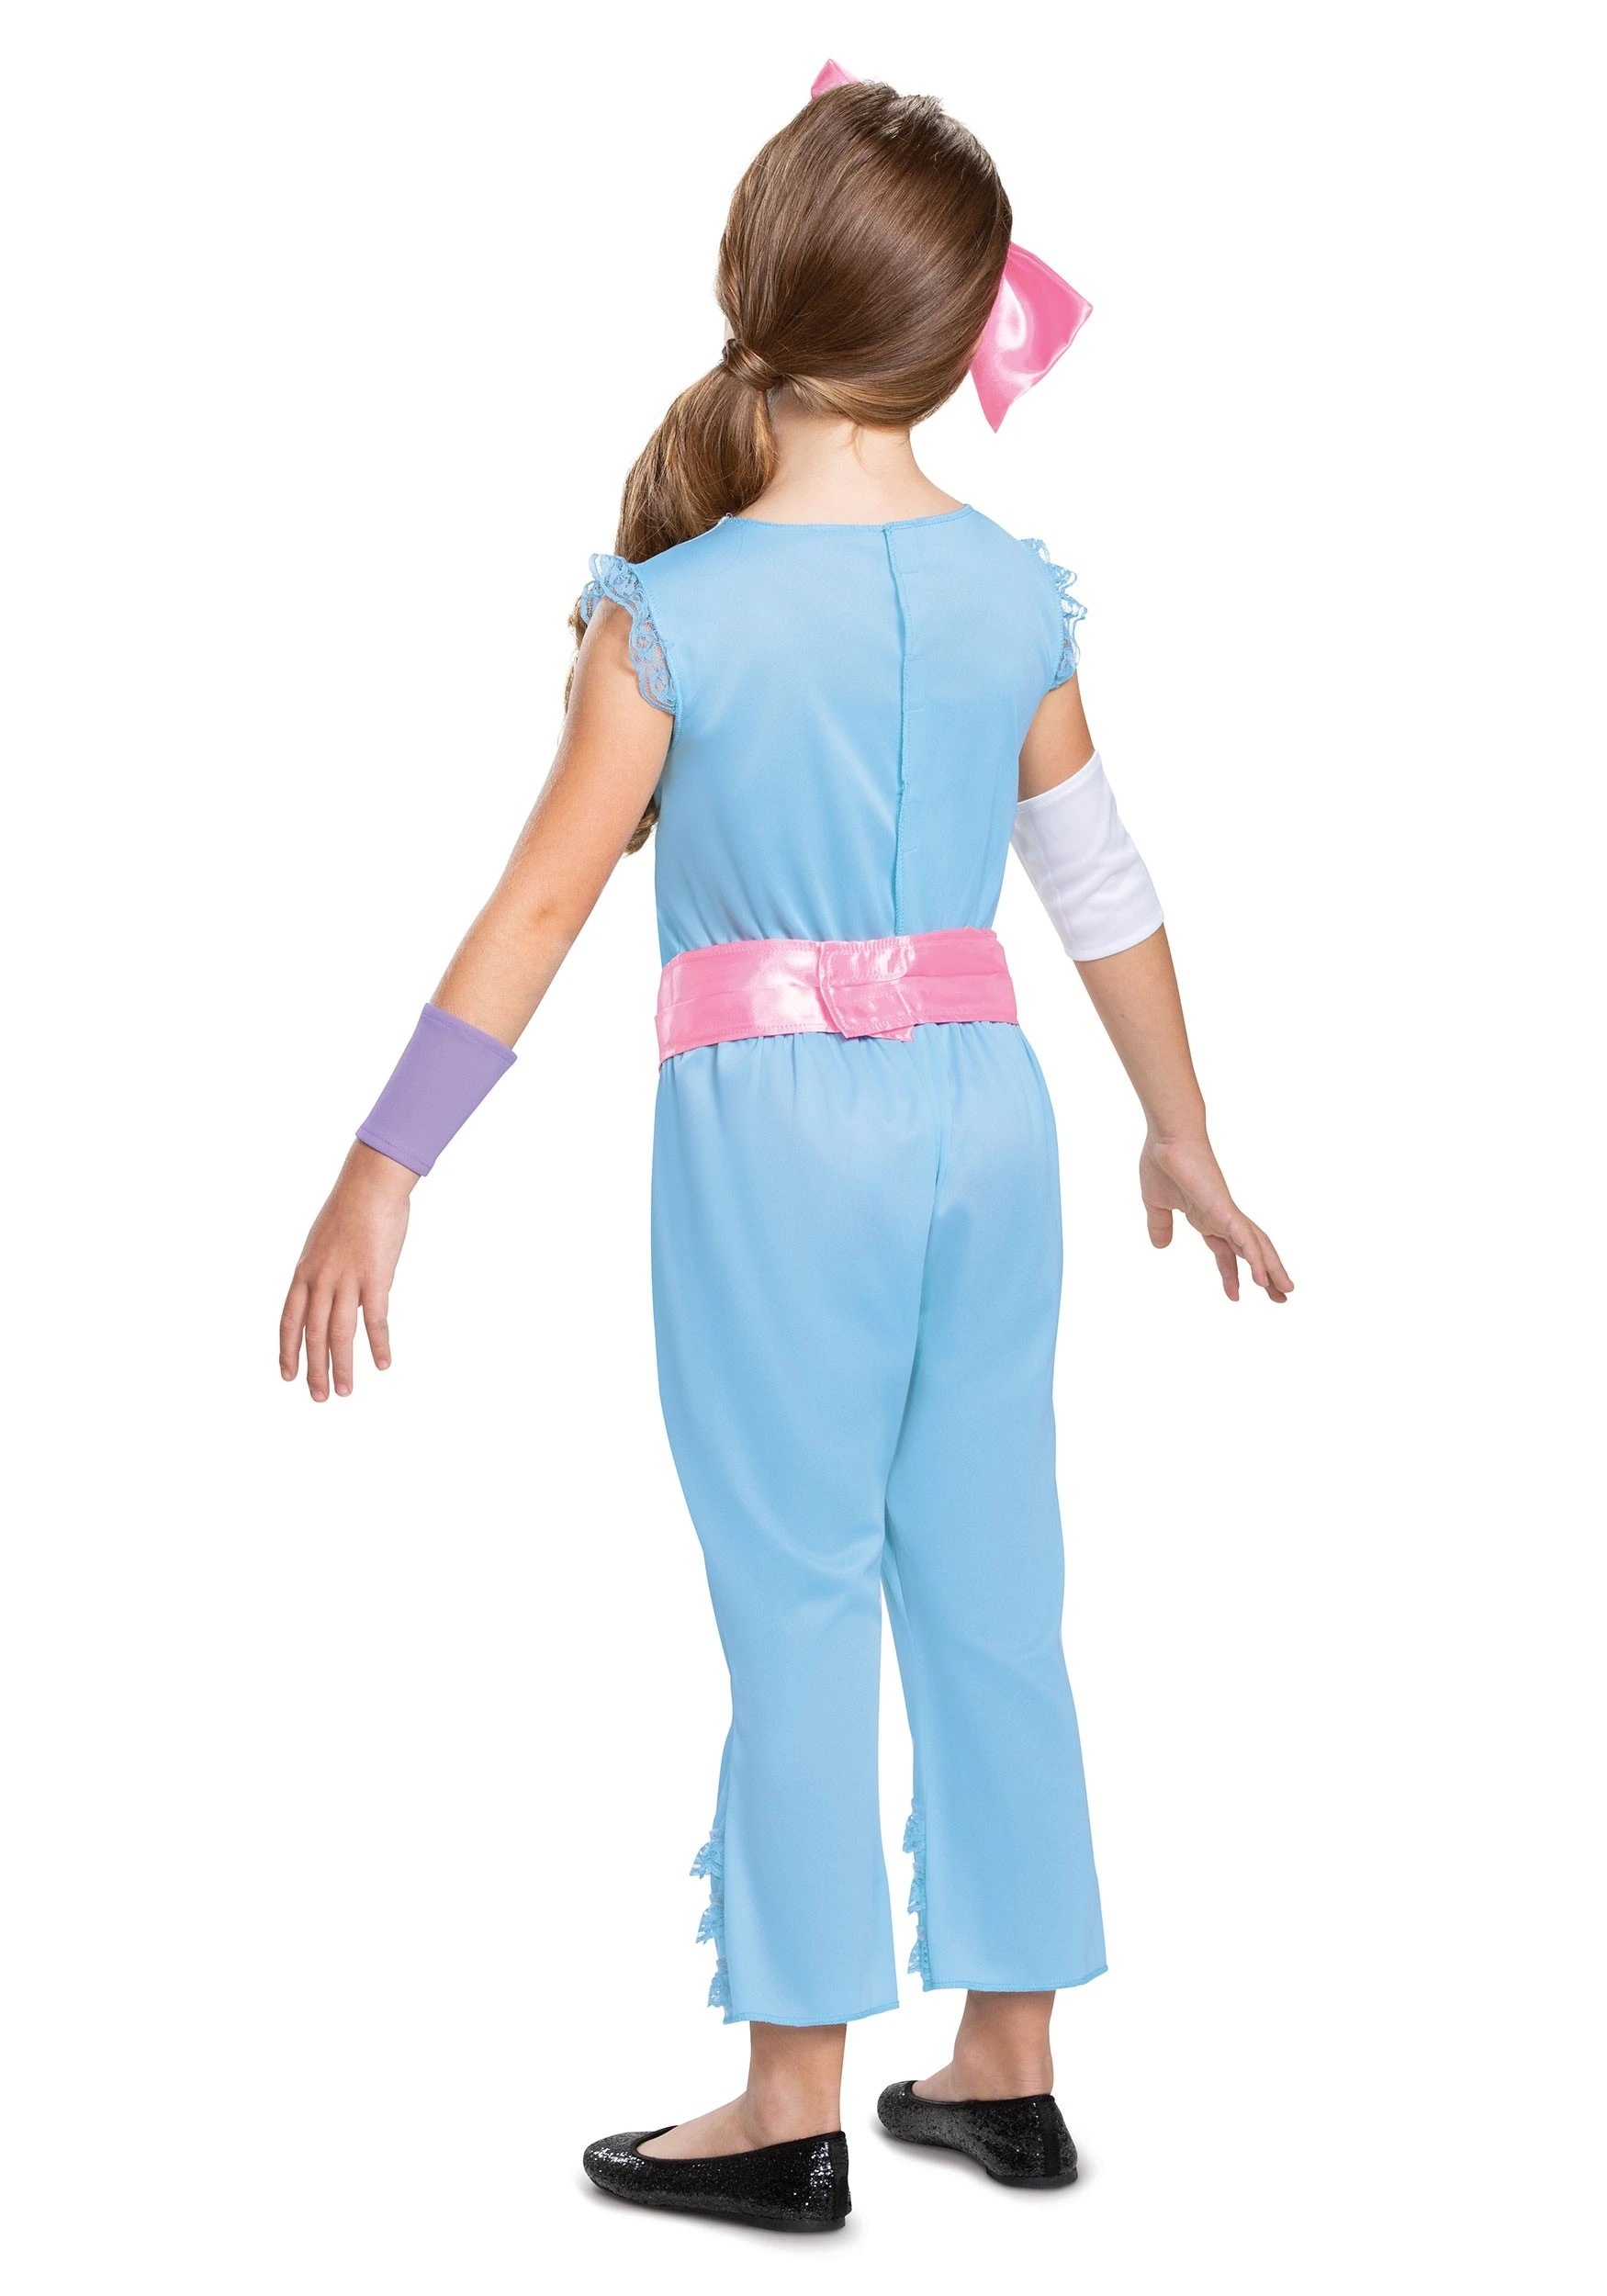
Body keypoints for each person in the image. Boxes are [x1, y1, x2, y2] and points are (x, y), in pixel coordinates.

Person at [279, 66, 1292, 2236]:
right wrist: (1180, 1128)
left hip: (775, 1144)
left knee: (798, 1587)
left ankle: (789, 2095)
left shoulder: (675, 611)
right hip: (991, 1120)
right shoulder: (1013, 588)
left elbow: (540, 907)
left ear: (752, 278)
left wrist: (388, 1158)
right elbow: (1097, 882)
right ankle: (1008, 2055)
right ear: (961, 323)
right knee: (992, 1574)